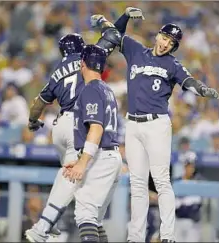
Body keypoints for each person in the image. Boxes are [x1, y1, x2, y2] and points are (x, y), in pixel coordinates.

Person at [92, 14, 219, 242]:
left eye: (171, 43)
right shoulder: (136, 50)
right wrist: (116, 17)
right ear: (158, 35)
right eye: (164, 38)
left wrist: (203, 90)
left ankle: (168, 236)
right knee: (138, 184)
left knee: (161, 181)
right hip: (133, 124)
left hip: (156, 125)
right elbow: (113, 35)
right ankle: (136, 237)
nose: (165, 44)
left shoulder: (172, 64)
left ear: (174, 47)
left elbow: (188, 81)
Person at [25, 8, 145, 243]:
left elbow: (37, 104)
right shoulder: (89, 62)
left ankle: (52, 220)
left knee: (74, 178)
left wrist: (32, 122)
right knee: (74, 177)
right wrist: (123, 18)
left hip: (59, 125)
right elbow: (113, 35)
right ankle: (44, 225)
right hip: (80, 123)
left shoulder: (56, 73)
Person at [63, 44, 122, 242]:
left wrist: (83, 162)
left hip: (101, 156)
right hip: (110, 156)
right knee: (94, 220)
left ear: (82, 64)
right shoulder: (107, 89)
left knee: (85, 214)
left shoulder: (91, 89)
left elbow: (96, 129)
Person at [173, 151, 205, 242]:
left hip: (193, 223)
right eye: (188, 165)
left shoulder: (199, 181)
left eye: (192, 166)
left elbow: (197, 203)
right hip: (178, 221)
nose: (190, 168)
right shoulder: (177, 181)